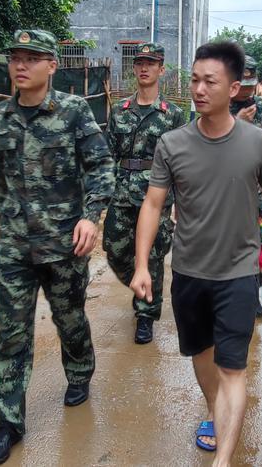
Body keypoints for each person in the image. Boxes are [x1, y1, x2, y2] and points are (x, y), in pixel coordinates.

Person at [130, 41, 262, 466]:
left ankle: (223, 457)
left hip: (239, 272)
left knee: (233, 369)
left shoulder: (259, 143)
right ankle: (213, 411)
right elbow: (153, 205)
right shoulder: (171, 144)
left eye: (210, 81)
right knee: (202, 356)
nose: (199, 89)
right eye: (194, 80)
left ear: (234, 87)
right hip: (189, 270)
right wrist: (141, 265)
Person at [0, 29, 114, 465]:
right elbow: (4, 181)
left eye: (32, 58)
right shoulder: (0, 115)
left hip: (64, 245)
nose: (21, 65)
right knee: (11, 336)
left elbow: (101, 166)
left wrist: (89, 216)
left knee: (69, 319)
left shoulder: (74, 111)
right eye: (15, 57)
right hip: (15, 249)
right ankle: (8, 423)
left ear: (52, 65)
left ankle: (79, 372)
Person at [103, 42, 187, 344]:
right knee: (114, 249)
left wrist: (180, 202)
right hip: (123, 192)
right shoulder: (120, 112)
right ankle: (141, 286)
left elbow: (182, 161)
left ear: (161, 69)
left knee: (151, 256)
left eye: (151, 63)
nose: (144, 67)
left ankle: (146, 314)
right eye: (139, 62)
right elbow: (107, 155)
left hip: (157, 195)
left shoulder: (173, 115)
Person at [229, 56, 262, 317]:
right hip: (227, 189)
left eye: (250, 84)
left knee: (258, 242)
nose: (246, 89)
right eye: (242, 83)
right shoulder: (220, 107)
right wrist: (238, 122)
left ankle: (254, 295)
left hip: (256, 189)